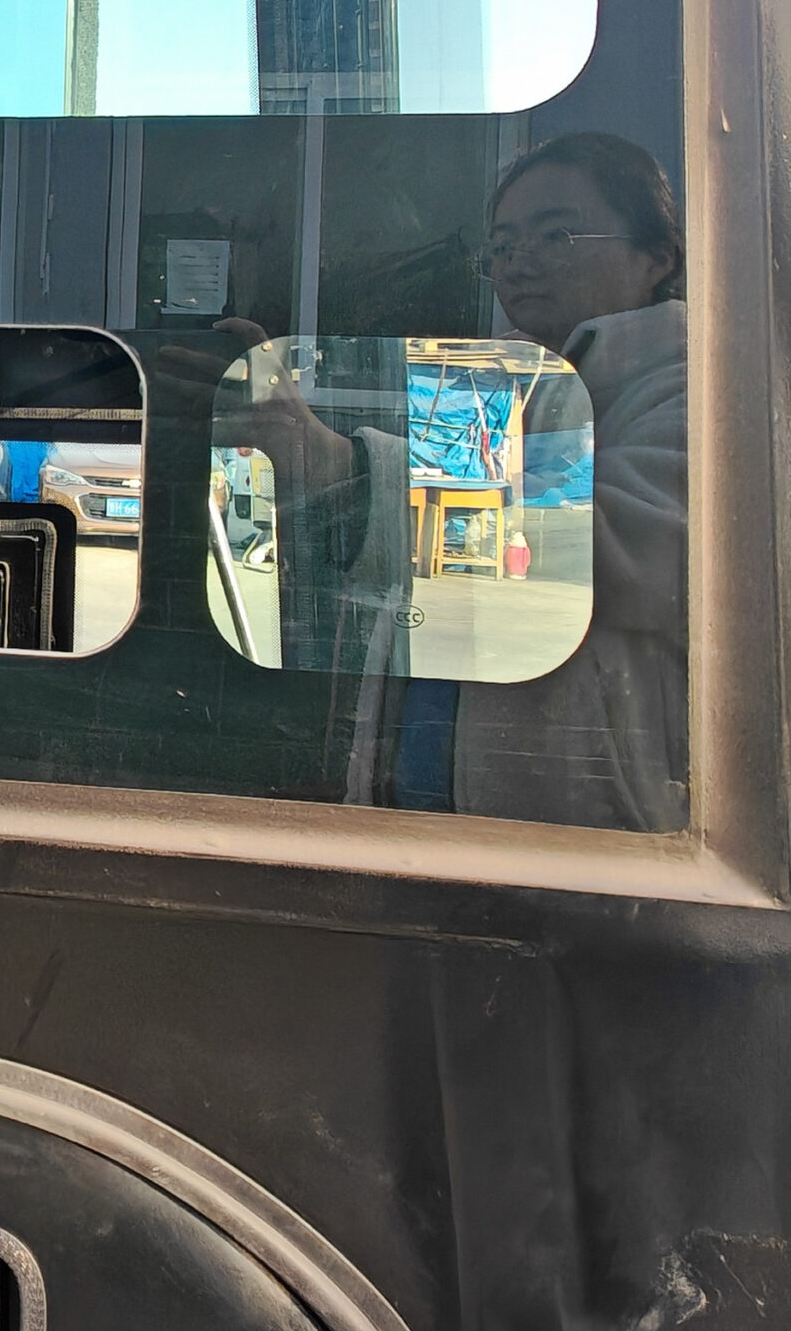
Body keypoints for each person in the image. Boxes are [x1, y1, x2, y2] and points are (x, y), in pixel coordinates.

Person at [227, 131, 688, 831]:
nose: (520, 262)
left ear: (658, 255)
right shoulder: (490, 378)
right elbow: (424, 564)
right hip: (428, 788)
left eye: (556, 235)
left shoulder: (694, 384)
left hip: (577, 825)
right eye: (502, 246)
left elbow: (627, 552)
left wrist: (348, 468)